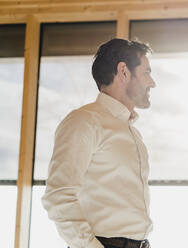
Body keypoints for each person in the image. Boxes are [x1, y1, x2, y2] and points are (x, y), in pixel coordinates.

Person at [42, 38, 156, 248]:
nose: (152, 83)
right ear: (123, 71)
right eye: (147, 72)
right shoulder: (84, 121)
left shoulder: (133, 133)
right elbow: (58, 196)